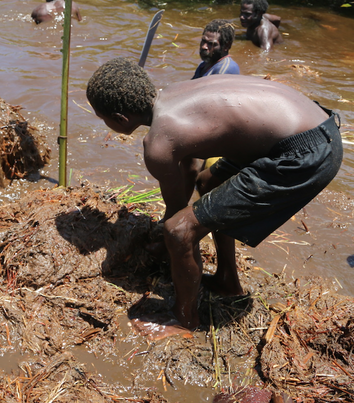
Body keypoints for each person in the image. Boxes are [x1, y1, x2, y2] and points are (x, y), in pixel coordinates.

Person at [85, 58, 342, 334]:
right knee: (210, 184)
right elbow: (192, 169)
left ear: (121, 119)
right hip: (314, 127)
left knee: (178, 231)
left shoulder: (158, 144)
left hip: (304, 153)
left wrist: (171, 244)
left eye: (103, 119)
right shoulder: (173, 96)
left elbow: (177, 217)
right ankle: (227, 280)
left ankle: (184, 318)